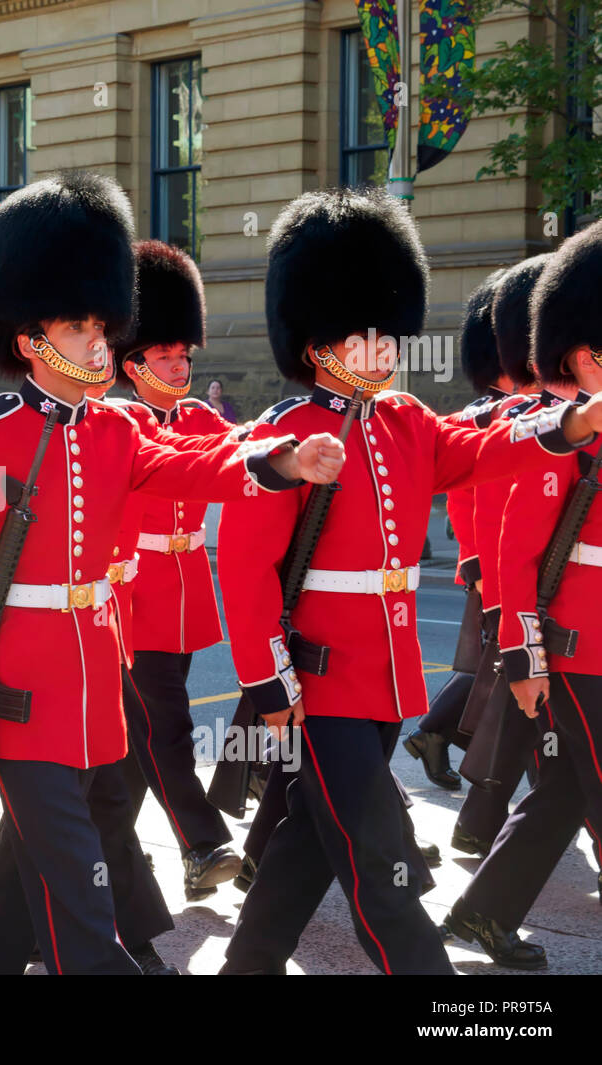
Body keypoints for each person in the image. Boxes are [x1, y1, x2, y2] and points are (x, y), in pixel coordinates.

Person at [0, 170, 345, 975]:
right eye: (78, 327)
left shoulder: (114, 429)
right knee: (81, 896)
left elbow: (197, 464)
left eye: (99, 323)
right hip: (20, 697)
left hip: (94, 692)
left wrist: (282, 457)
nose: (98, 341)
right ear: (28, 338)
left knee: (28, 870)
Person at [216, 187, 602, 976]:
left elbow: (485, 449)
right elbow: (245, 567)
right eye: (368, 335)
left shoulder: (401, 424)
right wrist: (269, 682)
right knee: (384, 873)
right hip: (319, 690)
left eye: (390, 333)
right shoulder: (285, 433)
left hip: (381, 686)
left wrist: (572, 423)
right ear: (320, 339)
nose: (386, 350)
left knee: (302, 851)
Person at [445, 221, 602, 968]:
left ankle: (483, 911)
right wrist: (526, 656)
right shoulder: (559, 435)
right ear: (580, 354)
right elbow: (514, 556)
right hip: (580, 650)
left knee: (566, 790)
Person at [108, 240, 244, 901]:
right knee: (167, 726)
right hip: (135, 595)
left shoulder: (197, 416)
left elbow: (239, 460)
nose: (178, 362)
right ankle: (202, 837)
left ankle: (112, 854)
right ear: (132, 363)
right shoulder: (121, 419)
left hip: (185, 589)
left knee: (140, 741)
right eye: (163, 354)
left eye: (183, 352)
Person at [403, 269, 509, 790]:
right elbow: (464, 500)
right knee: (498, 661)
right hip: (491, 564)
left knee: (495, 661)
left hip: (509, 561)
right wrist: (476, 563)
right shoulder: (479, 418)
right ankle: (438, 737)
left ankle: (439, 738)